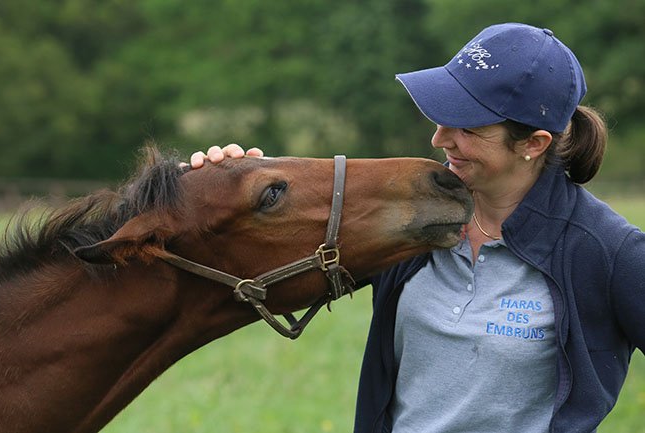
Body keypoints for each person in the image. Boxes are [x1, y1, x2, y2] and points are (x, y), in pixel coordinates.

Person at [190, 23, 645, 433]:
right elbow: (274, 247)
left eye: (467, 127)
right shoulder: (409, 214)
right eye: (444, 116)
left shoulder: (609, 251)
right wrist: (225, 189)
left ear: (534, 143)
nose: (439, 138)